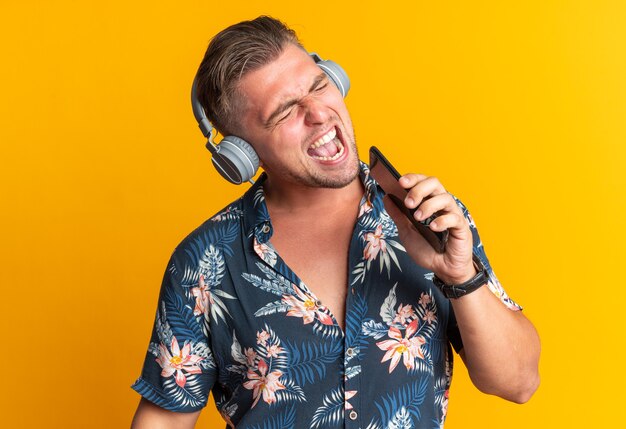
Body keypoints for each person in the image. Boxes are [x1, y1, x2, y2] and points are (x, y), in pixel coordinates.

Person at [130, 16, 540, 429]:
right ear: (244, 154)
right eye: (285, 111)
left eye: (318, 85)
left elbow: (518, 382)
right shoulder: (203, 263)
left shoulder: (430, 219)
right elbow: (164, 417)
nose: (318, 114)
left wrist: (460, 275)